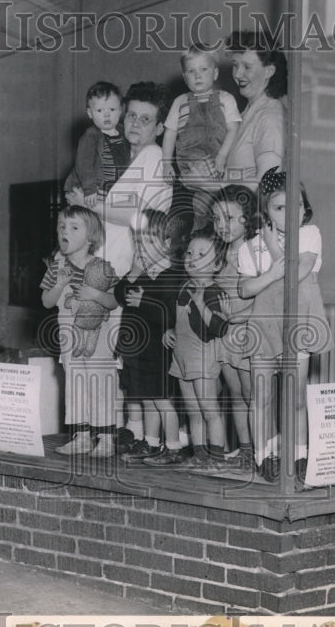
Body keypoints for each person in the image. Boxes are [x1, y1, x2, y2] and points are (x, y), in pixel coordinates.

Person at [237, 168, 332, 483]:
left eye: (297, 205)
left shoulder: (309, 234)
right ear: (265, 211)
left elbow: (297, 272)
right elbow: (244, 289)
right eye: (280, 207)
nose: (291, 213)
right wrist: (266, 263)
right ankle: (264, 457)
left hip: (296, 325)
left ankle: (300, 453)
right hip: (264, 325)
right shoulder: (248, 246)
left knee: (295, 397)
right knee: (261, 396)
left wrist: (271, 244)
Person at [72, 81, 174, 278]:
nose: (135, 124)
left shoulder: (155, 156)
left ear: (160, 128)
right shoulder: (118, 156)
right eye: (131, 115)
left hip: (122, 267)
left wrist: (87, 204)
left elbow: (139, 216)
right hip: (100, 259)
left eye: (145, 119)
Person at [41, 205, 120, 457]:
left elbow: (115, 301)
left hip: (98, 339)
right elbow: (47, 302)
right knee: (75, 386)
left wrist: (95, 293)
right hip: (70, 339)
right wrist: (60, 284)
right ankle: (81, 436)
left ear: (90, 238)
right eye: (62, 226)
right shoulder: (56, 266)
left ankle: (106, 439)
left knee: (100, 384)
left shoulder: (102, 267)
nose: (65, 231)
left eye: (74, 227)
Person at [113, 208, 186, 465]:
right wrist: (133, 272)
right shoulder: (142, 273)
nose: (143, 248)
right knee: (148, 399)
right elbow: (120, 295)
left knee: (162, 400)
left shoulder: (172, 276)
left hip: (160, 351)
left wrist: (144, 301)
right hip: (141, 351)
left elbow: (171, 315)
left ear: (167, 243)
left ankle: (174, 446)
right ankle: (152, 443)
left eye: (150, 241)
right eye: (139, 242)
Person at [166, 230, 230, 470]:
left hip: (202, 359)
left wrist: (202, 303)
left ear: (216, 264)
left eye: (201, 254)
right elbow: (180, 322)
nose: (192, 257)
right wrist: (169, 332)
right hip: (181, 358)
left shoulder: (215, 292)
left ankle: (217, 458)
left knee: (209, 410)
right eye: (190, 252)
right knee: (193, 411)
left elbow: (219, 328)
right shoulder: (185, 287)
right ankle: (200, 454)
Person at [162, 44, 242, 230]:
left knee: (224, 209)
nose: (197, 75)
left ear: (214, 74)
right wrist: (166, 162)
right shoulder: (180, 102)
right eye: (191, 71)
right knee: (201, 210)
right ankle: (200, 240)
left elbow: (233, 129)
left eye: (203, 69)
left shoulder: (225, 98)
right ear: (184, 77)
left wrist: (222, 156)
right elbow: (170, 133)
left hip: (218, 164)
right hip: (192, 165)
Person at [210, 184, 258, 472]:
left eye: (229, 218)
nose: (221, 226)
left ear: (248, 217)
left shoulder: (254, 251)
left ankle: (263, 450)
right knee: (236, 393)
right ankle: (246, 449)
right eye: (216, 219)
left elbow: (265, 297)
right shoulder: (220, 252)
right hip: (225, 334)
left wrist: (242, 318)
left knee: (254, 395)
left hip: (247, 333)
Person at [221, 30, 287, 190]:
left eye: (247, 67)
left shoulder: (270, 117)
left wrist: (211, 186)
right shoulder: (245, 114)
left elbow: (267, 183)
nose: (238, 74)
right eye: (235, 65)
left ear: (269, 71)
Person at [63, 81, 131, 208]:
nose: (106, 114)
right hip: (93, 189)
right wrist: (89, 189)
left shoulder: (124, 133)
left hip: (112, 190)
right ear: (90, 113)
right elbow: (84, 164)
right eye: (99, 110)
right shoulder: (91, 135)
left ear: (120, 110)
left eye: (112, 109)